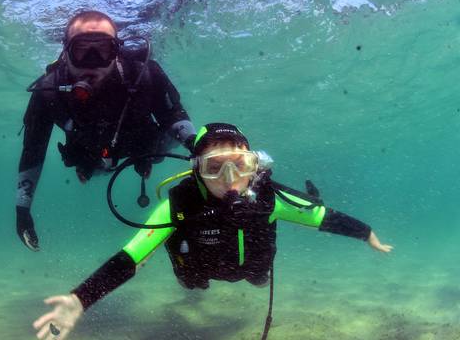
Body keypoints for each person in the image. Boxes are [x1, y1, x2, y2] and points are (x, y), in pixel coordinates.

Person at [31, 123, 394, 340]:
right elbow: (129, 257)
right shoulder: (178, 203)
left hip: (252, 267)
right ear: (195, 170)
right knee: (192, 284)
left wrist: (367, 233)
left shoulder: (269, 198)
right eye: (214, 168)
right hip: (198, 268)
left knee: (258, 278)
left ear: (256, 167)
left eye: (240, 166)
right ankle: (192, 279)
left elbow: (323, 217)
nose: (230, 179)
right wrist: (81, 298)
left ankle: (251, 275)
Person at [16, 10, 196, 251]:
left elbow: (173, 116)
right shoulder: (48, 93)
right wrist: (23, 209)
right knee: (91, 164)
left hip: (141, 144)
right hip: (88, 149)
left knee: (160, 148)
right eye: (81, 50)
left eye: (103, 50)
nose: (92, 62)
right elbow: (33, 151)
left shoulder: (145, 75)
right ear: (65, 51)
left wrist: (198, 146)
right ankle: (92, 167)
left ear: (117, 51)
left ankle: (138, 161)